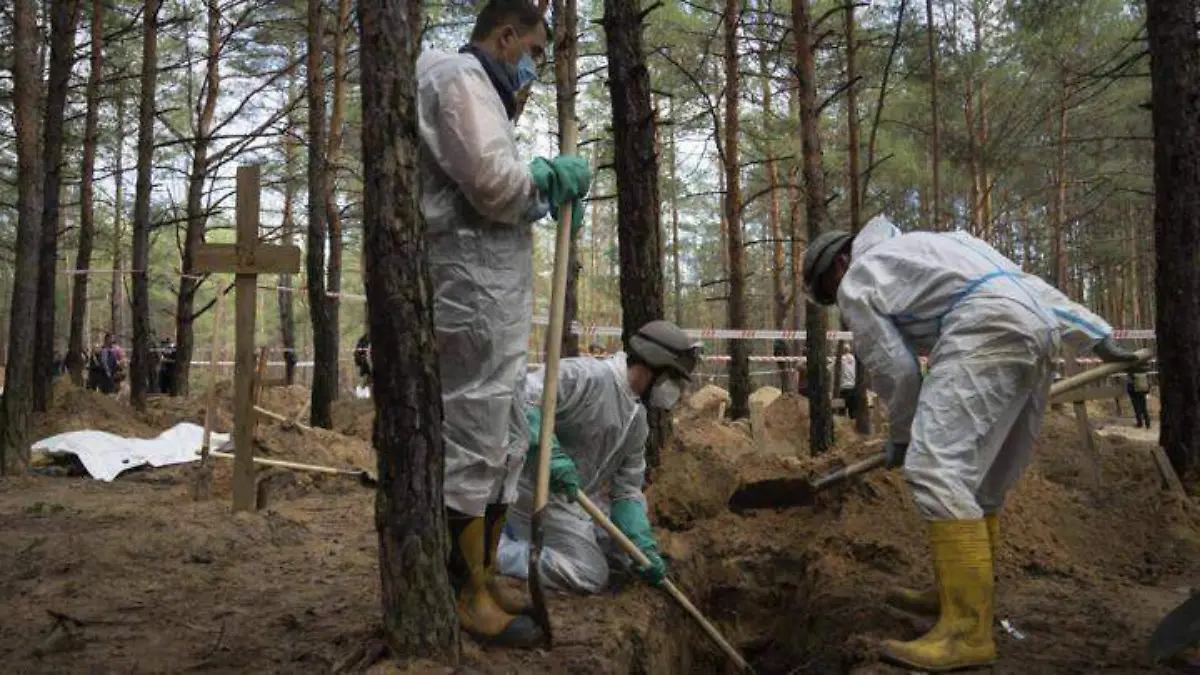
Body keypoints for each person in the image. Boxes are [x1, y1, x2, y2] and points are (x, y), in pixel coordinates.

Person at [802, 216, 1141, 671]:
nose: (837, 301)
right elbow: (1026, 287)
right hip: (1035, 334)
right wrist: (1097, 335)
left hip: (983, 331)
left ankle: (965, 631)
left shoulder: (860, 275)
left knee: (933, 468)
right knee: (981, 483)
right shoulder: (947, 244)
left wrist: (903, 437)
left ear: (839, 262)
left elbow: (896, 369)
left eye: (830, 291)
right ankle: (955, 595)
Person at [418, 0, 591, 648]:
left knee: (501, 436)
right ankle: (465, 592)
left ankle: (485, 575)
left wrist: (541, 182)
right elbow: (492, 183)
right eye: (535, 53)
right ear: (506, 34)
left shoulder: (485, 94)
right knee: (473, 433)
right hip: (467, 291)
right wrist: (545, 179)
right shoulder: (458, 79)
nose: (536, 68)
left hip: (490, 291)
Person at [496, 320, 700, 594]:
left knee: (627, 556)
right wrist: (547, 450)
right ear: (655, 365)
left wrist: (640, 543)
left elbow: (626, 490)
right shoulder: (587, 376)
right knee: (590, 572)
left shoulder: (637, 421)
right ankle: (498, 549)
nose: (674, 389)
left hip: (576, 499)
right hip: (532, 493)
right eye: (673, 379)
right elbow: (522, 397)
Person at [1127, 365, 1152, 429]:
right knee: (1144, 407)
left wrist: (1129, 391)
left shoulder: (1131, 371)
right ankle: (1148, 423)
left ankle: (1140, 423)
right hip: (1142, 390)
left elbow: (1129, 382)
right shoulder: (1143, 369)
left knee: (1136, 407)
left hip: (1134, 391)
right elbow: (1148, 381)